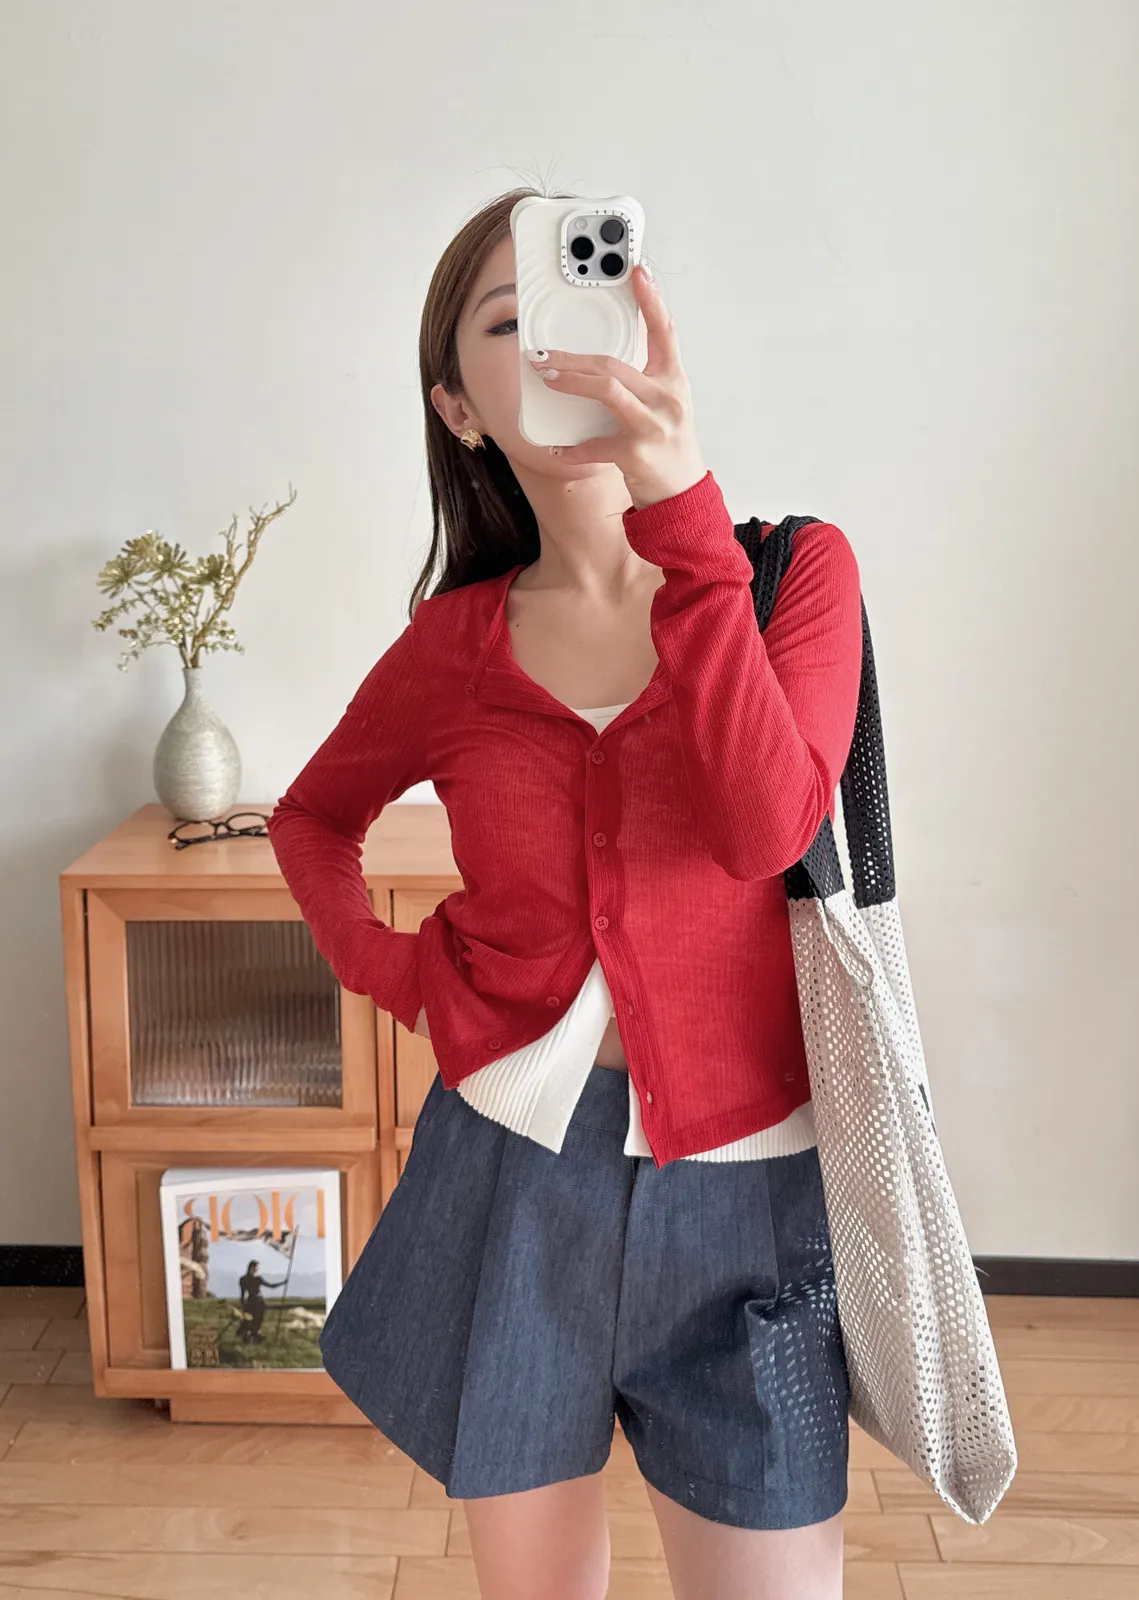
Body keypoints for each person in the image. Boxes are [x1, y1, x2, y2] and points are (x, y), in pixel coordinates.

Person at [268, 186, 864, 1600]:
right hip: (507, 1181)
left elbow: (766, 827)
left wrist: (684, 514)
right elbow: (312, 819)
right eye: (508, 323)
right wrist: (400, 974)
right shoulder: (453, 647)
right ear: (459, 410)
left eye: (580, 301)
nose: (554, 345)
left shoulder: (789, 578)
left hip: (745, 1195)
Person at [237, 1259, 285, 1344]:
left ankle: (253, 1335)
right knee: (250, 1320)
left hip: (258, 1302)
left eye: (257, 1267)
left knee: (258, 1319)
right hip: (252, 1302)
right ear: (251, 1267)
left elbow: (270, 1285)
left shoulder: (256, 1279)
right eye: (256, 1267)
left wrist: (282, 1283)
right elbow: (242, 1293)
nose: (257, 1269)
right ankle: (251, 1335)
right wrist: (243, 1303)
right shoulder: (245, 1279)